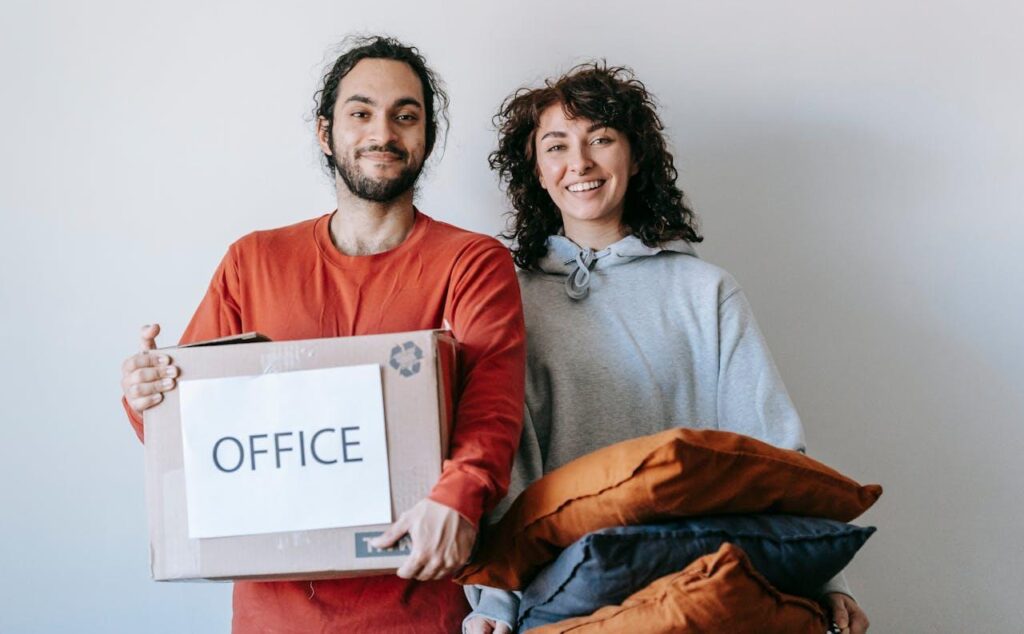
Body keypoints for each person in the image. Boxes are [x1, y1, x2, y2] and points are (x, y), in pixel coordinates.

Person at [119, 35, 526, 633]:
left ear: (426, 138)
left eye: (405, 116)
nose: (382, 132)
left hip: (422, 608)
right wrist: (146, 393)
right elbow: (185, 427)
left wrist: (458, 495)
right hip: (273, 615)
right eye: (360, 112)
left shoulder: (473, 261)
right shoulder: (252, 261)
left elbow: (491, 411)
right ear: (324, 132)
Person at [464, 64, 870, 634]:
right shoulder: (511, 300)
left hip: (701, 585)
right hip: (565, 596)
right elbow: (506, 466)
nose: (579, 163)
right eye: (556, 145)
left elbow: (771, 451)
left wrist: (827, 580)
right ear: (536, 170)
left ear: (634, 156)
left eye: (600, 139)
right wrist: (492, 609)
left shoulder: (706, 291)